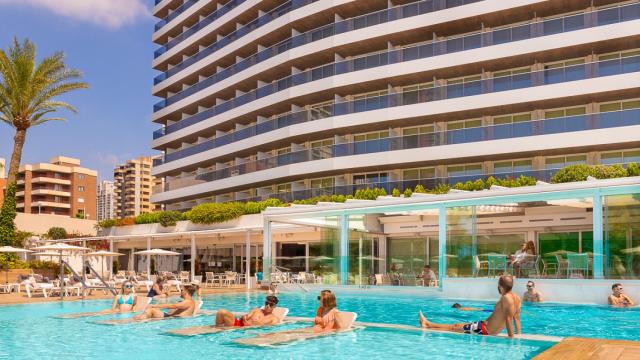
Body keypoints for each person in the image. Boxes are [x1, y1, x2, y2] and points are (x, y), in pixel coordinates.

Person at [419, 275, 521, 337]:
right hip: (483, 326)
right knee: (457, 326)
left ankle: (427, 325)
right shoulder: (517, 298)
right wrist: (519, 335)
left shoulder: (506, 298)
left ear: (500, 286)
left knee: (454, 328)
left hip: (484, 330)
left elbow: (508, 319)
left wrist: (511, 339)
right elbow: (516, 319)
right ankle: (428, 324)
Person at [215, 295, 280, 327]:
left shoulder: (274, 319)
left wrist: (250, 326)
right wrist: (244, 317)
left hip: (248, 331)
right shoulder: (257, 310)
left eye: (271, 304)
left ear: (275, 306)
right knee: (221, 312)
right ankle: (217, 329)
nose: (268, 306)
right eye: (266, 303)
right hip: (239, 324)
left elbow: (266, 330)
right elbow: (247, 316)